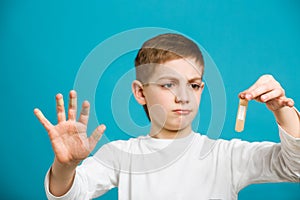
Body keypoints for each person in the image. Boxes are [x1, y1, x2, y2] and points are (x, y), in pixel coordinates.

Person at [34, 33, 300, 200]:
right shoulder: (120, 155)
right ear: (140, 92)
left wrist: (282, 109)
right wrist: (66, 166)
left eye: (193, 85)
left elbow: (294, 168)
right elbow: (69, 195)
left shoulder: (226, 156)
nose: (183, 96)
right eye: (168, 84)